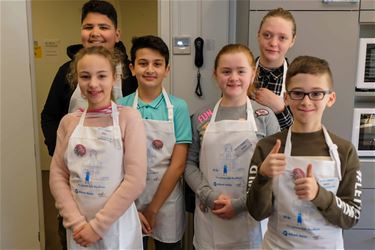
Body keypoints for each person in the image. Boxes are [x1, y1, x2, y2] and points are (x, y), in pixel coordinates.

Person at [247, 56, 362, 249]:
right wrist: (263, 177)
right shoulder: (268, 147)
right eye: (298, 93)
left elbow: (351, 217)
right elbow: (256, 213)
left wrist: (319, 194)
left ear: (330, 98)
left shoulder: (344, 151)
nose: (306, 102)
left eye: (316, 93)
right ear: (286, 97)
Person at [49, 46, 147, 249]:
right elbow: (58, 175)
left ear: (114, 78)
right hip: (79, 229)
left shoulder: (128, 118)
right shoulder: (69, 122)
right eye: (85, 76)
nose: (93, 84)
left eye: (101, 76)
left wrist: (98, 227)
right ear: (77, 80)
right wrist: (76, 222)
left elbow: (135, 180)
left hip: (117, 227)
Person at [184, 44, 280, 250]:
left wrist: (240, 204)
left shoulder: (265, 117)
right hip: (211, 212)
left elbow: (276, 171)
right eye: (226, 71)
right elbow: (189, 164)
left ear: (252, 74)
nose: (233, 77)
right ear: (215, 74)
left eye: (241, 71)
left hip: (251, 215)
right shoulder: (201, 117)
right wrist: (209, 196)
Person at [117, 35, 192, 250]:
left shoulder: (178, 107)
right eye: (143, 63)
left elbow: (177, 165)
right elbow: (117, 161)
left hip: (166, 201)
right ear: (132, 68)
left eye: (157, 64)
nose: (150, 69)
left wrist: (153, 208)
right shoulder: (121, 107)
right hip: (128, 200)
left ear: (167, 69)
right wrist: (131, 206)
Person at [41, 0, 137, 157]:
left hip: (120, 164)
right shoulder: (66, 71)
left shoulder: (131, 72)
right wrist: (59, 151)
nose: (95, 33)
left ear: (117, 34)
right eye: (88, 27)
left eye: (104, 27)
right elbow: (49, 116)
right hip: (75, 162)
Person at [248, 7, 296, 130]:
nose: (273, 43)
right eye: (267, 35)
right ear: (258, 35)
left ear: (292, 41)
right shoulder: (241, 74)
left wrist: (280, 109)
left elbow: (300, 135)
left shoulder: (297, 81)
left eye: (282, 38)